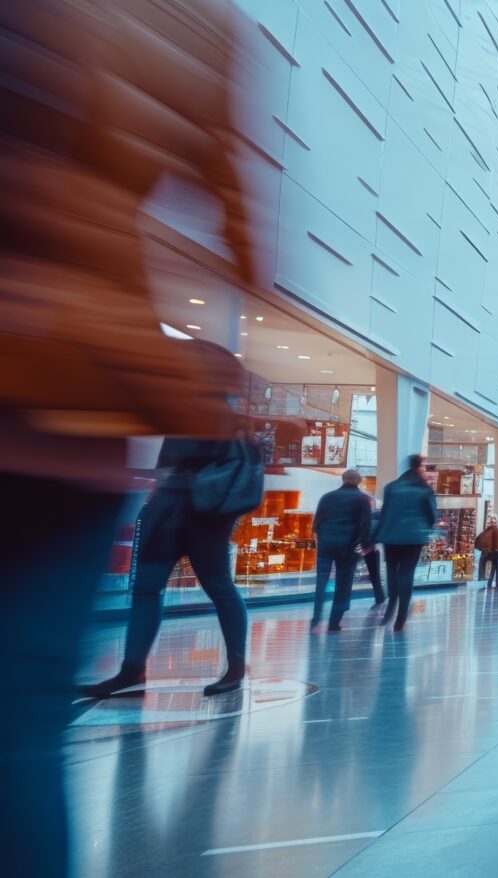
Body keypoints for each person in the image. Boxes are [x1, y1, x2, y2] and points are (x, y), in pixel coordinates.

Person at [4, 2, 260, 869]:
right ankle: (139, 668)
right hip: (86, 410)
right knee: (22, 729)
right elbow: (237, 222)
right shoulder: (189, 25)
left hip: (65, 401)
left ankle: (174, 665)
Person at [80, 393, 257, 700]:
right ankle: (132, 669)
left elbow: (242, 479)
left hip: (202, 516)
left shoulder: (228, 423)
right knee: (152, 589)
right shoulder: (196, 417)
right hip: (172, 513)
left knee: (217, 588)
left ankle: (235, 667)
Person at [375, 454, 438, 633]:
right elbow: (432, 515)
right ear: (419, 467)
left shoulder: (391, 487)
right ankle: (401, 617)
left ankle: (390, 608)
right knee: (406, 573)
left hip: (391, 535)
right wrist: (427, 527)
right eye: (424, 466)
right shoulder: (424, 489)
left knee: (392, 571)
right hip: (413, 537)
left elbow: (385, 511)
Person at [309, 469, 374, 630]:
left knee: (321, 582)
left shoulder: (327, 497)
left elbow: (316, 524)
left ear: (343, 479)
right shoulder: (362, 499)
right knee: (343, 584)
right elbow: (365, 527)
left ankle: (316, 618)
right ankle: (334, 622)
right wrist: (365, 547)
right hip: (348, 547)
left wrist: (323, 538)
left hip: (326, 544)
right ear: (359, 481)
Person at [476, 514, 498, 587]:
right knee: (493, 565)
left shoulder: (491, 532)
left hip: (492, 552)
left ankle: (484, 580)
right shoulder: (490, 532)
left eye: (493, 522)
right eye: (489, 523)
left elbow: (479, 541)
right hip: (491, 552)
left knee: (492, 565)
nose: (491, 524)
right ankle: (485, 580)